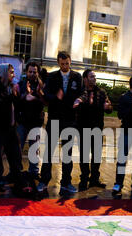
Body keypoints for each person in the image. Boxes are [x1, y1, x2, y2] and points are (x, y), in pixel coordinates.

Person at [37, 51, 82, 195]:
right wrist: (56, 96)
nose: (65, 66)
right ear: (58, 63)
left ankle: (66, 182)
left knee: (67, 152)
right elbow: (46, 94)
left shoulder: (77, 76)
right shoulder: (52, 76)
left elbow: (81, 93)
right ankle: (44, 180)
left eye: (67, 63)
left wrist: (79, 99)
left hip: (69, 119)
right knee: (49, 151)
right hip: (55, 118)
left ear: (70, 62)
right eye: (62, 64)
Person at [73, 69, 112, 191]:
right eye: (91, 76)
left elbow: (110, 108)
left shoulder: (101, 92)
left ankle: (94, 179)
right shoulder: (79, 92)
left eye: (94, 77)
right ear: (85, 79)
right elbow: (73, 108)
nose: (94, 79)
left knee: (96, 155)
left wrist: (108, 107)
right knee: (84, 155)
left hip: (97, 128)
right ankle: (84, 178)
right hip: (83, 127)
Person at [0, 64, 23, 191]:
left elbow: (17, 105)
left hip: (12, 126)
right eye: (11, 72)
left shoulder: (11, 87)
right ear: (5, 73)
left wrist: (16, 95)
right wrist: (12, 96)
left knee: (15, 153)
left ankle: (16, 177)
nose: (14, 75)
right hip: (0, 127)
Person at [17, 61, 45, 180]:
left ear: (38, 73)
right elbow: (17, 101)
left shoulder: (42, 85)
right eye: (30, 71)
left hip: (36, 121)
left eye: (35, 72)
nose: (32, 74)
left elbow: (45, 102)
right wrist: (25, 96)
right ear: (26, 72)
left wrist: (36, 96)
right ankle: (16, 170)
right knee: (18, 147)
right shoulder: (20, 84)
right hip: (22, 121)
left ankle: (34, 171)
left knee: (35, 149)